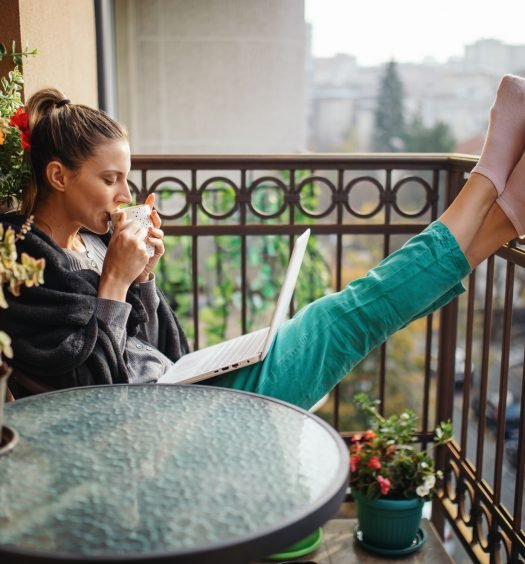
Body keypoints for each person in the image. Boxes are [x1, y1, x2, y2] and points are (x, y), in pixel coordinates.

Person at [1, 75, 524, 409]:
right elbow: (91, 395)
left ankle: (504, 216)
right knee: (349, 315)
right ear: (59, 176)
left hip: (182, 393)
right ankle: (485, 181)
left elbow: (164, 351)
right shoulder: (24, 261)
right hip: (164, 424)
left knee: (356, 315)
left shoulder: (87, 244)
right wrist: (117, 280)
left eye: (127, 178)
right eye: (110, 179)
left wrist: (142, 280)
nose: (125, 193)